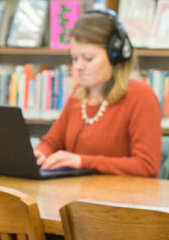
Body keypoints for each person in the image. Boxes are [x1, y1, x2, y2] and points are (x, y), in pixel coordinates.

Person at [33, 10, 162, 177]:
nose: (78, 66)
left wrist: (82, 162)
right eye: (74, 58)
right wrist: (40, 153)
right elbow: (52, 142)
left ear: (114, 56)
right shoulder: (78, 94)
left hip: (119, 199)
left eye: (87, 58)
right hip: (76, 195)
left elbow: (146, 166)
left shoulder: (140, 96)